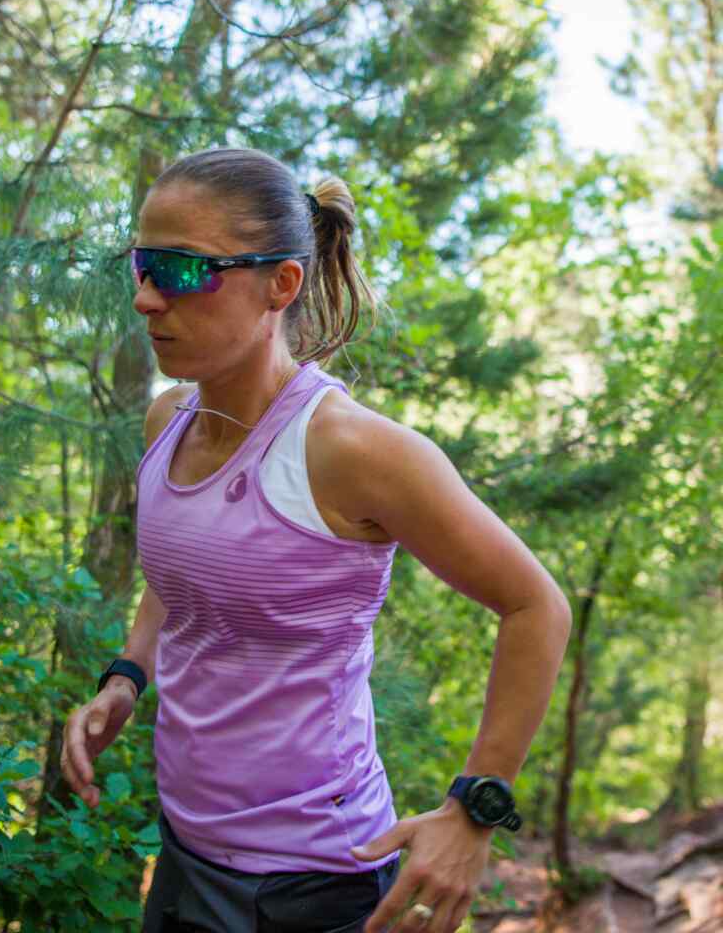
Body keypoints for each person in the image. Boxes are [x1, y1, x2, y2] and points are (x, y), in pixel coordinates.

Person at [61, 148, 572, 933]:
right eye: (141, 265)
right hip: (186, 851)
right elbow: (181, 570)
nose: (145, 299)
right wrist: (129, 674)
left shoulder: (353, 451)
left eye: (180, 270)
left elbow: (535, 605)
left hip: (312, 884)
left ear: (282, 283)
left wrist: (474, 808)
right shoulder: (169, 419)